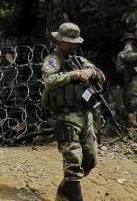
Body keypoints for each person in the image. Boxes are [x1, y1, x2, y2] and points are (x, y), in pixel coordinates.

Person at [42, 23, 105, 201]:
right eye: (69, 42)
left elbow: (101, 76)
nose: (73, 45)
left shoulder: (80, 60)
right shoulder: (53, 60)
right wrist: (74, 75)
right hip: (65, 115)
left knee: (90, 160)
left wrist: (90, 71)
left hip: (86, 115)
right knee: (73, 161)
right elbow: (50, 81)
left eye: (75, 42)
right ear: (60, 41)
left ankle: (64, 190)